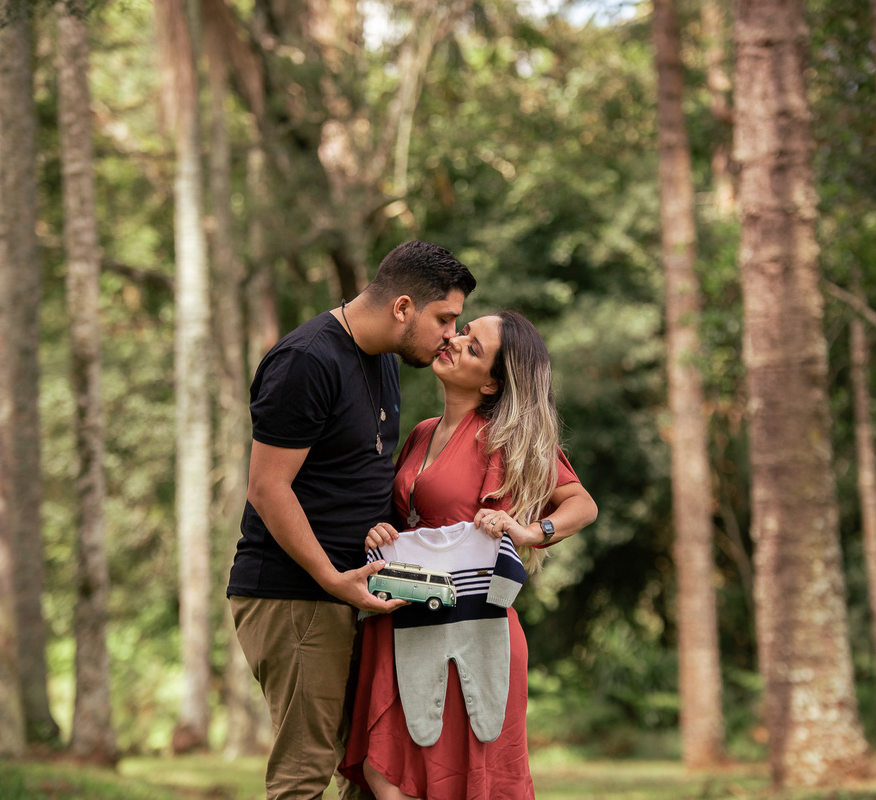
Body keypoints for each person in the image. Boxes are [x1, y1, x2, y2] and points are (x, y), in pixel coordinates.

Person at [227, 240, 477, 800]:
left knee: (372, 768)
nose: (451, 335)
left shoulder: (382, 357)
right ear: (402, 307)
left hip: (356, 592)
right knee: (305, 773)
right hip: (298, 596)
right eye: (444, 318)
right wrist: (331, 577)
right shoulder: (307, 360)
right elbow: (267, 488)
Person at [339, 310, 599, 800]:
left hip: (471, 631)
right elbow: (408, 520)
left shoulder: (505, 438)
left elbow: (582, 505)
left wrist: (528, 531)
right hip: (402, 619)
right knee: (384, 773)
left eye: (472, 347)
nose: (454, 342)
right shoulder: (421, 432)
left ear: (491, 384)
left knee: (454, 781)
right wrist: (382, 531)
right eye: (462, 333)